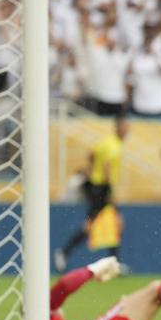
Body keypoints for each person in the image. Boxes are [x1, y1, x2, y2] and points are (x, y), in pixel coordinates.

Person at [55, 116, 129, 273]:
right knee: (103, 224)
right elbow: (108, 166)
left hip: (97, 186)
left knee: (111, 223)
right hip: (103, 188)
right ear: (117, 128)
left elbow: (92, 154)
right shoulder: (114, 145)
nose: (126, 130)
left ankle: (113, 262)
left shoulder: (105, 142)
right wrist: (109, 188)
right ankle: (64, 252)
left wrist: (92, 170)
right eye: (124, 127)